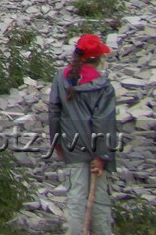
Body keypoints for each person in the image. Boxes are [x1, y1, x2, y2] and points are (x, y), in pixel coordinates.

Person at [48, 32, 119, 235]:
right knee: (100, 201)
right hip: (98, 149)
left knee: (76, 197)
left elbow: (54, 113)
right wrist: (102, 155)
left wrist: (57, 144)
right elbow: (104, 122)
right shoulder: (103, 86)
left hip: (72, 146)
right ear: (99, 59)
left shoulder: (61, 79)